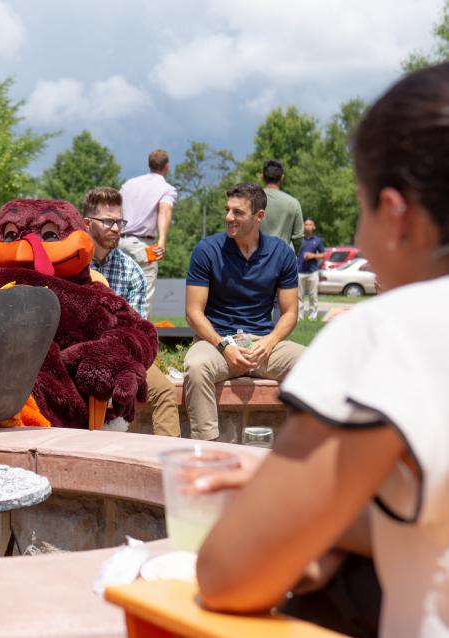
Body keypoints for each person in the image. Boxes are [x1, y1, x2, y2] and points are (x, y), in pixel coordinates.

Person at [196, 62, 449, 638]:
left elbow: (230, 576)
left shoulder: (392, 330)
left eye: (361, 211)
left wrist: (294, 507)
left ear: (395, 214)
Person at [184, 183, 305, 441]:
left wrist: (270, 342)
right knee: (196, 366)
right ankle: (207, 449)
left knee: (314, 363)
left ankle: (301, 447)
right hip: (217, 343)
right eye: (227, 210)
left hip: (262, 343)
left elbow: (290, 313)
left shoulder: (281, 253)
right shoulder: (207, 250)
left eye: (237, 212)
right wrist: (224, 345)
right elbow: (193, 313)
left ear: (259, 216)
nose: (229, 217)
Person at [83, 187, 180, 437]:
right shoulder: (74, 264)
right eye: (107, 221)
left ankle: (166, 469)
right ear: (86, 223)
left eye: (119, 221)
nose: (116, 228)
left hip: (124, 355)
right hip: (80, 353)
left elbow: (137, 331)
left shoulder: (132, 271)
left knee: (165, 392)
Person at [119, 149, 178, 317]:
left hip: (118, 243)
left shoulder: (128, 185)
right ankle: (140, 339)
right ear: (167, 166)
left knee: (118, 292)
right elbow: (164, 211)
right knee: (142, 298)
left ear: (148, 165)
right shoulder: (166, 189)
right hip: (143, 246)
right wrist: (162, 242)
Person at [260, 159, 304, 252]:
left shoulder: (251, 201)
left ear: (262, 177)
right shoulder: (293, 203)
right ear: (282, 178)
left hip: (256, 260)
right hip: (283, 259)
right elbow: (298, 238)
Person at [297, 217, 325, 320]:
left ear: (313, 227)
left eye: (310, 224)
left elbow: (323, 255)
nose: (308, 226)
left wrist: (313, 256)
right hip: (300, 271)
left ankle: (313, 314)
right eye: (306, 224)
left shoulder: (317, 241)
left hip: (313, 272)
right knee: (299, 295)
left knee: (313, 295)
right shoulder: (299, 239)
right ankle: (300, 315)